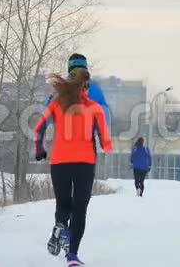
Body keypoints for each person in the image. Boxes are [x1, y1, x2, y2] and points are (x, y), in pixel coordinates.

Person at [34, 67, 113, 267]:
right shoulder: (94, 108)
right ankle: (72, 256)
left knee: (63, 205)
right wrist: (107, 147)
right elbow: (105, 139)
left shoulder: (56, 103)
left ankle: (60, 224)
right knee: (80, 209)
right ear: (86, 85)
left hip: (59, 162)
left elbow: (39, 128)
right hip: (84, 164)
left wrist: (39, 149)